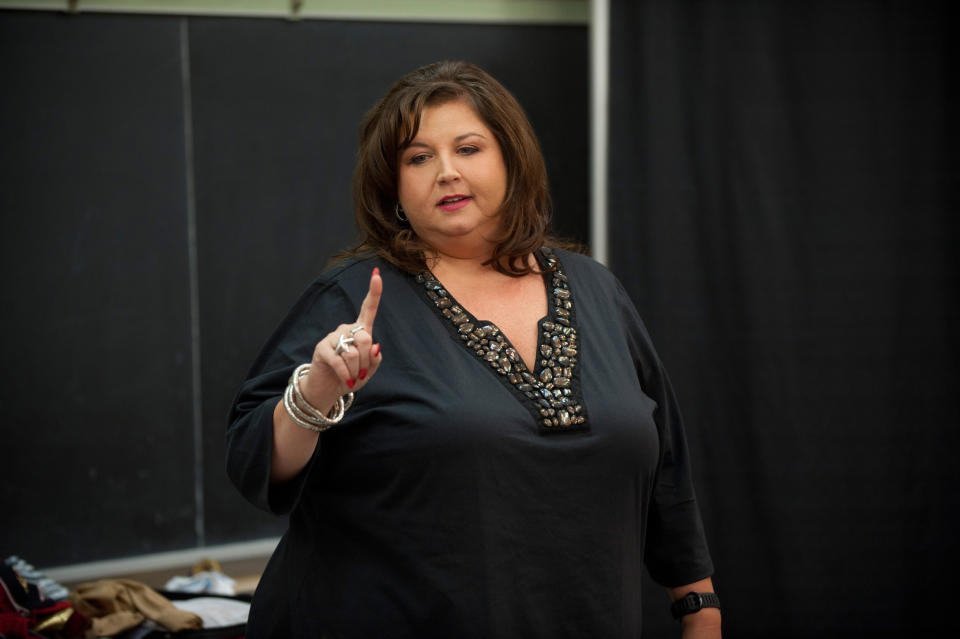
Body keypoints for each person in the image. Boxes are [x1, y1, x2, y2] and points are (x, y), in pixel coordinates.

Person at [226, 60, 721, 638]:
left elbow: (666, 467)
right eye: (418, 158)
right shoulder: (355, 298)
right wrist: (315, 393)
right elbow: (251, 460)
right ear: (393, 189)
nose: (445, 173)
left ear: (512, 160)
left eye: (468, 148)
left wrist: (699, 609)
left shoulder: (595, 289)